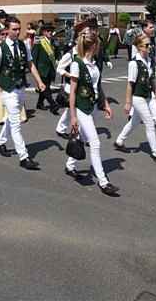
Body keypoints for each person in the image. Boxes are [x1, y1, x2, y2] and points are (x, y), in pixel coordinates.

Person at [65, 29, 119, 196]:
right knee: (94, 142)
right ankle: (103, 182)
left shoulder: (94, 64)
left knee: (81, 137)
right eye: (99, 45)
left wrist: (106, 104)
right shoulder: (77, 64)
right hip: (82, 109)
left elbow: (98, 86)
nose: (99, 48)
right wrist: (73, 116)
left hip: (93, 106)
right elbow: (72, 92)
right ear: (94, 45)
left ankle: (70, 165)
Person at [0, 16, 46, 170]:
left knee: (10, 118)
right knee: (16, 123)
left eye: (19, 29)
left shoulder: (22, 45)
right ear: (6, 30)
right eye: (14, 29)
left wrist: (39, 81)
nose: (17, 32)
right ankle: (24, 157)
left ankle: (0, 143)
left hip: (20, 86)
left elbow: (30, 64)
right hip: (7, 89)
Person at [114, 34, 156, 164]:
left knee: (134, 122)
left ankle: (119, 141)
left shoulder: (149, 60)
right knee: (150, 124)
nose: (149, 46)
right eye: (147, 45)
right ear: (139, 47)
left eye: (150, 44)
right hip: (138, 97)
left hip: (147, 96)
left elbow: (152, 80)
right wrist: (128, 103)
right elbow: (130, 84)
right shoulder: (134, 63)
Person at [130, 19, 156, 131]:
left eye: (153, 27)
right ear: (144, 28)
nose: (153, 29)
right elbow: (134, 57)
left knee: (146, 93)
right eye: (151, 27)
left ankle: (135, 115)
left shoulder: (153, 39)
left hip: (150, 69)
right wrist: (137, 71)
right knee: (145, 93)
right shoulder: (138, 39)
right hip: (141, 71)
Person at [31, 23, 60, 115]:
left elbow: (57, 52)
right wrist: (34, 69)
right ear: (43, 32)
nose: (50, 32)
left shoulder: (53, 41)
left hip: (50, 68)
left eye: (51, 31)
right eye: (48, 31)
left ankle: (39, 103)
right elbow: (34, 56)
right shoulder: (39, 41)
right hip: (41, 69)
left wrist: (58, 58)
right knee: (46, 88)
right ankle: (53, 104)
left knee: (45, 87)